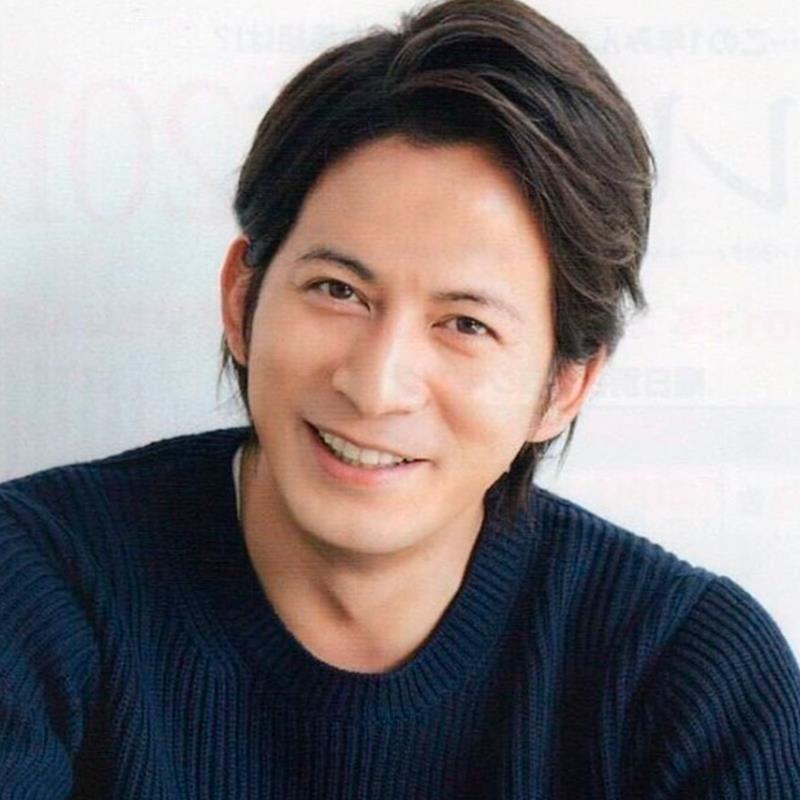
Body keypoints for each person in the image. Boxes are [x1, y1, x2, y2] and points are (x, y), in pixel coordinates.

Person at [1, 0, 799, 796]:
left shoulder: (690, 678)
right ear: (242, 301)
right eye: (338, 290)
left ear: (564, 387)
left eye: (466, 325)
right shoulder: (35, 586)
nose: (377, 386)